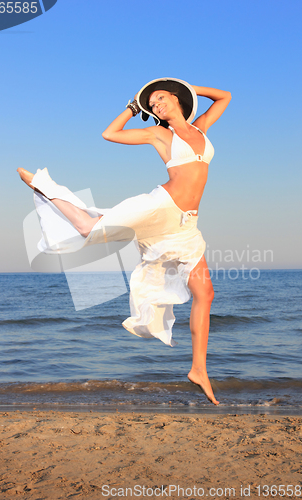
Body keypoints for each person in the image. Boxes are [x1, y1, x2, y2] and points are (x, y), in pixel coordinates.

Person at [18, 78, 231, 405]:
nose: (156, 105)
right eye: (152, 104)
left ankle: (198, 369)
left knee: (206, 292)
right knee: (91, 229)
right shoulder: (161, 134)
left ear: (177, 97)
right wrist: (133, 108)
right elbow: (110, 134)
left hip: (186, 223)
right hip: (161, 206)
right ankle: (46, 188)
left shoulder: (200, 129)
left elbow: (224, 97)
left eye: (160, 98)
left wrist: (191, 87)